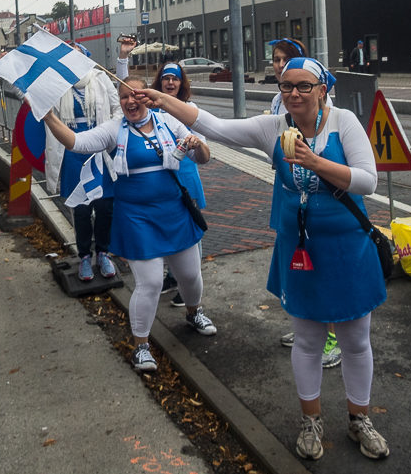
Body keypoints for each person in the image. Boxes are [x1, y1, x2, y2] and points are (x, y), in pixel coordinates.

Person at [137, 58, 389, 461]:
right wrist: (161, 100)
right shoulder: (273, 127)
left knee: (355, 340)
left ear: (323, 89)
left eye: (304, 86)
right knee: (307, 340)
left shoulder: (344, 122)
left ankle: (360, 418)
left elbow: (368, 180)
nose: (294, 94)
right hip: (300, 249)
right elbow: (211, 125)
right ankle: (311, 420)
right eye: (286, 85)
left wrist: (316, 162)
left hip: (347, 248)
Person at [43, 76, 218, 373]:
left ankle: (193, 312)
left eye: (136, 95)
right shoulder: (114, 129)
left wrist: (196, 144)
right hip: (136, 218)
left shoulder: (168, 121)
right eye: (124, 96)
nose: (130, 101)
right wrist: (47, 116)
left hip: (175, 213)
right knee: (150, 283)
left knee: (189, 275)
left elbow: (203, 158)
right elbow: (77, 142)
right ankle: (141, 347)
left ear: (148, 97)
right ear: (119, 101)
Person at [268, 39, 341, 368]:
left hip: (316, 195)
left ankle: (330, 336)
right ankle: (307, 327)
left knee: (319, 263)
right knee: (295, 257)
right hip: (288, 189)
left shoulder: (320, 105)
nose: (278, 65)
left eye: (284, 59)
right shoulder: (277, 102)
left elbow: (364, 178)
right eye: (275, 61)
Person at [44, 49, 122, 283]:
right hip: (74, 153)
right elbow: (44, 109)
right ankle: (85, 256)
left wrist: (107, 130)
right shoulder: (58, 83)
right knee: (81, 210)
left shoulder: (100, 78)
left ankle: (103, 253)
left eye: (78, 55)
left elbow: (118, 108)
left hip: (100, 151)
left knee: (105, 206)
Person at [150, 62, 210, 308]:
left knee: (191, 230)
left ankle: (190, 282)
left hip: (186, 177)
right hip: (164, 180)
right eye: (166, 79)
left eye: (175, 79)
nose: (170, 83)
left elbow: (204, 145)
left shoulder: (189, 109)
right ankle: (173, 277)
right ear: (160, 83)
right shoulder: (152, 109)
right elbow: (127, 92)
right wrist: (123, 59)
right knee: (168, 227)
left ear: (181, 83)